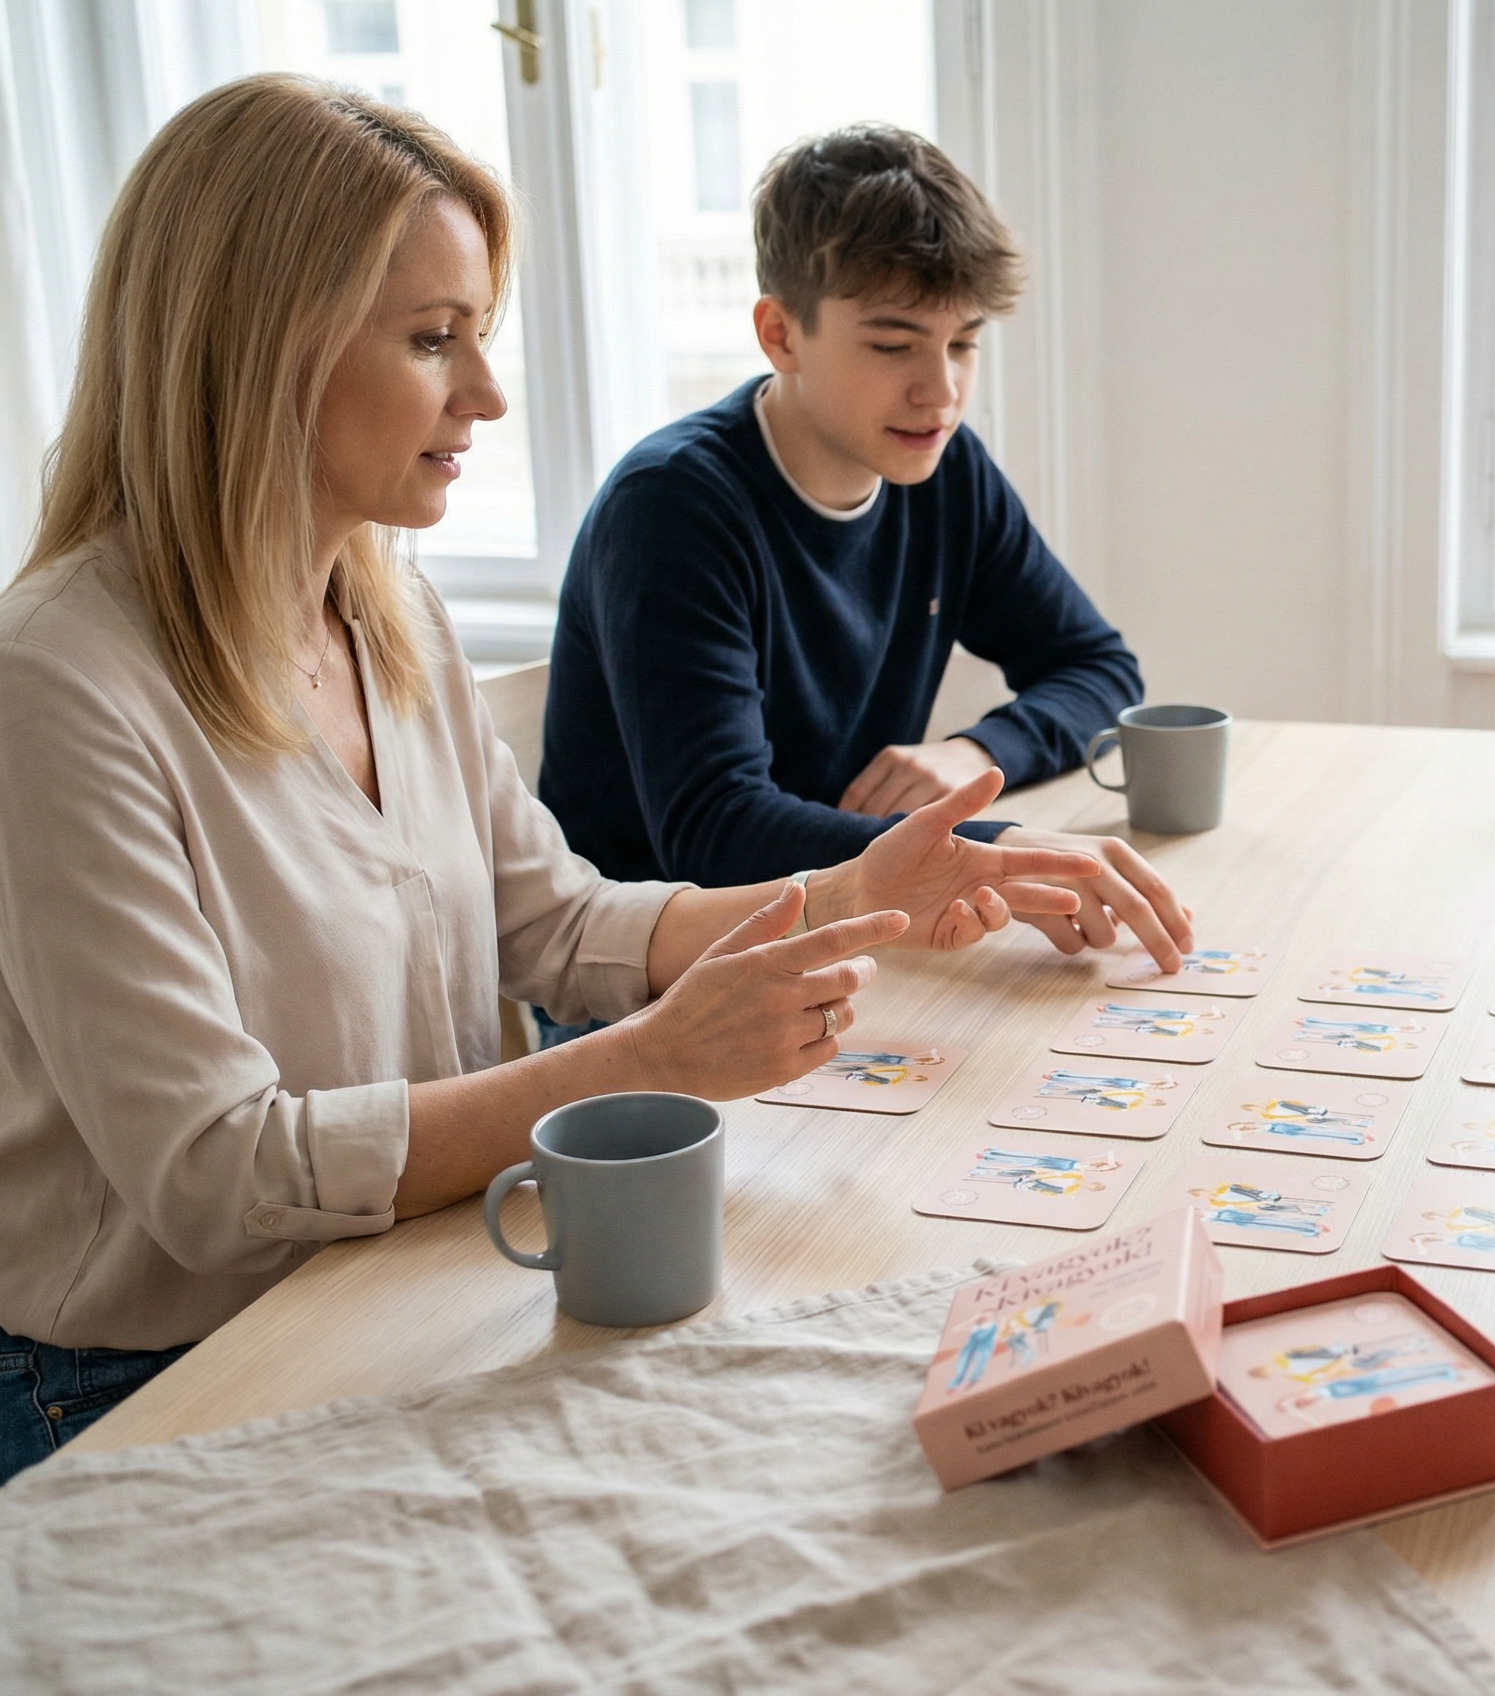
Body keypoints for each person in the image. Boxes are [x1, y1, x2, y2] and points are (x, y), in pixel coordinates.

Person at [0, 78, 1111, 1484]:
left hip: (405, 1274)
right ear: (249, 347)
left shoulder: (382, 608)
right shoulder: (55, 683)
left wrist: (852, 890)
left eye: (481, 335)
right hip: (142, 1380)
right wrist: (648, 1059)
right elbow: (221, 1179)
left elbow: (560, 926)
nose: (488, 392)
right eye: (430, 339)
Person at [540, 124, 1192, 992]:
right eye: (893, 345)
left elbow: (1095, 664)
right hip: (661, 990)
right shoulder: (670, 507)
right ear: (780, 335)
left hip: (851, 937)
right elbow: (715, 827)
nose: (942, 390)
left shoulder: (944, 468)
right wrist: (986, 852)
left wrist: (973, 753)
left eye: (962, 343)